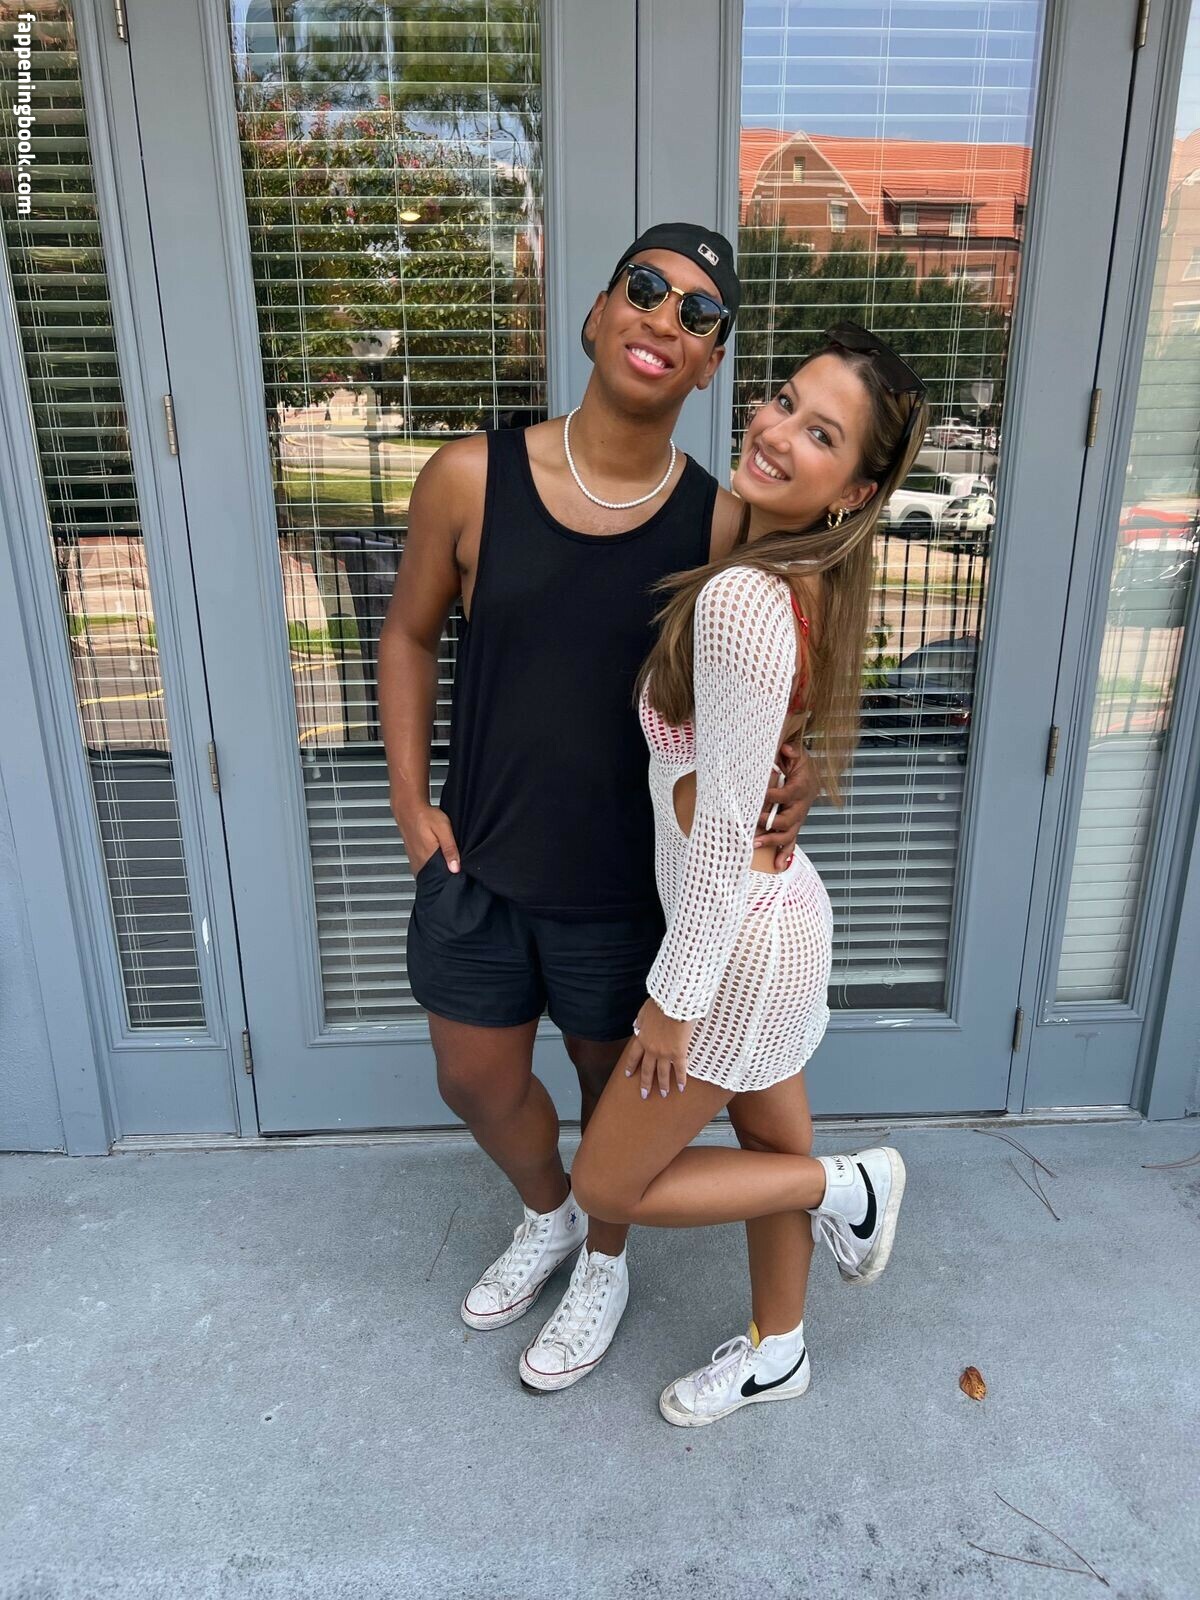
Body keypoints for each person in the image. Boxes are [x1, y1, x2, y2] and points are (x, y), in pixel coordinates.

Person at [378, 224, 820, 1392]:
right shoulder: (469, 478)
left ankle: (606, 1262)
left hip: (628, 890)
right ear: (597, 312)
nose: (665, 318)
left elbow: (777, 671)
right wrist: (411, 802)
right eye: (647, 288)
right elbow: (409, 634)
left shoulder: (721, 524)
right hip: (479, 865)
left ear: (709, 365)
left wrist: (802, 767)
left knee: (603, 1090)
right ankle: (553, 1212)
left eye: (699, 315)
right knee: (473, 1078)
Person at [569, 324, 931, 1426]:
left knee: (606, 1183)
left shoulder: (742, 599)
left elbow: (724, 831)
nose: (775, 431)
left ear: (854, 489)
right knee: (771, 1142)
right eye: (781, 399)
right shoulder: (800, 573)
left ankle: (848, 1187)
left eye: (820, 434)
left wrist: (670, 1002)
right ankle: (781, 1350)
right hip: (775, 918)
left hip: (734, 944)